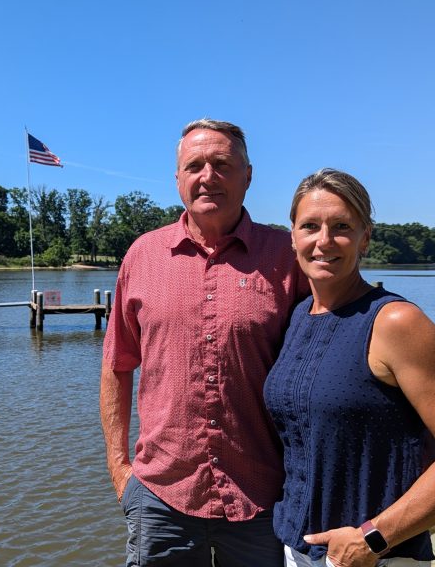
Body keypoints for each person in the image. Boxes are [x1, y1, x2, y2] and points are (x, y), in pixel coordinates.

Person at [100, 118, 310, 566]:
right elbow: (118, 366)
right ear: (177, 178)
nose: (207, 176)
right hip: (162, 492)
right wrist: (120, 470)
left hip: (264, 493)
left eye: (222, 164)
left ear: (248, 176)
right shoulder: (142, 256)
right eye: (194, 165)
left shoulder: (289, 258)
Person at [263, 168, 435, 567]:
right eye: (310, 226)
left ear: (364, 238)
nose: (323, 241)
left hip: (375, 556)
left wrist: (372, 538)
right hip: (299, 549)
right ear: (293, 237)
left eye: (341, 227)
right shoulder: (300, 315)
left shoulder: (395, 322)